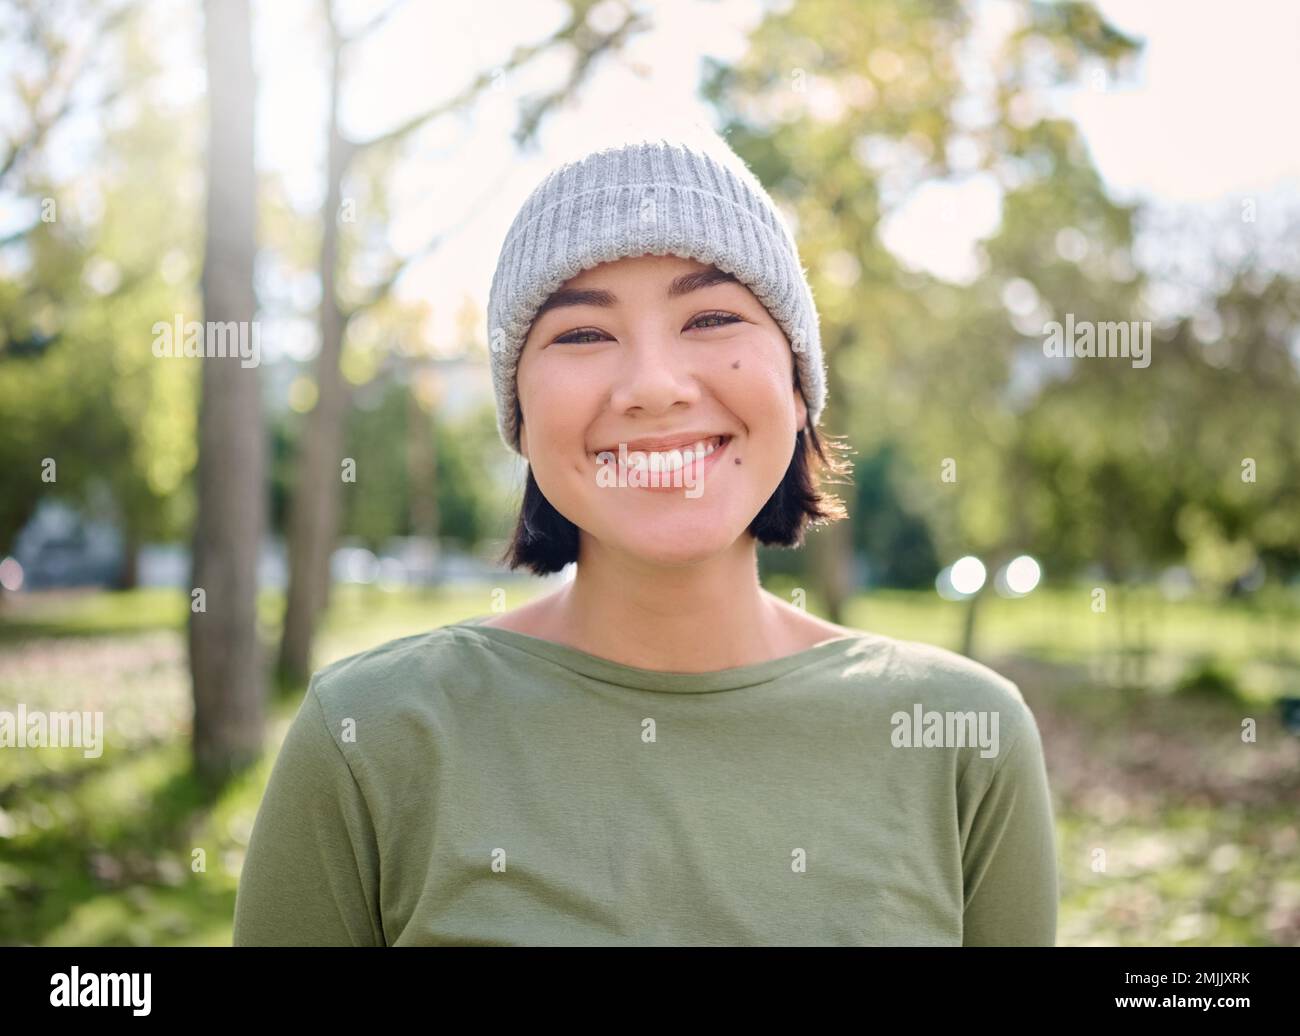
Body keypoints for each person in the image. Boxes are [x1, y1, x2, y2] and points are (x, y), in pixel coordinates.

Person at [232, 126, 1058, 947]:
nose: (655, 387)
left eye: (711, 318)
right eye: (583, 334)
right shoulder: (367, 736)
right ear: (520, 414)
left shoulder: (967, 739)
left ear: (798, 384)